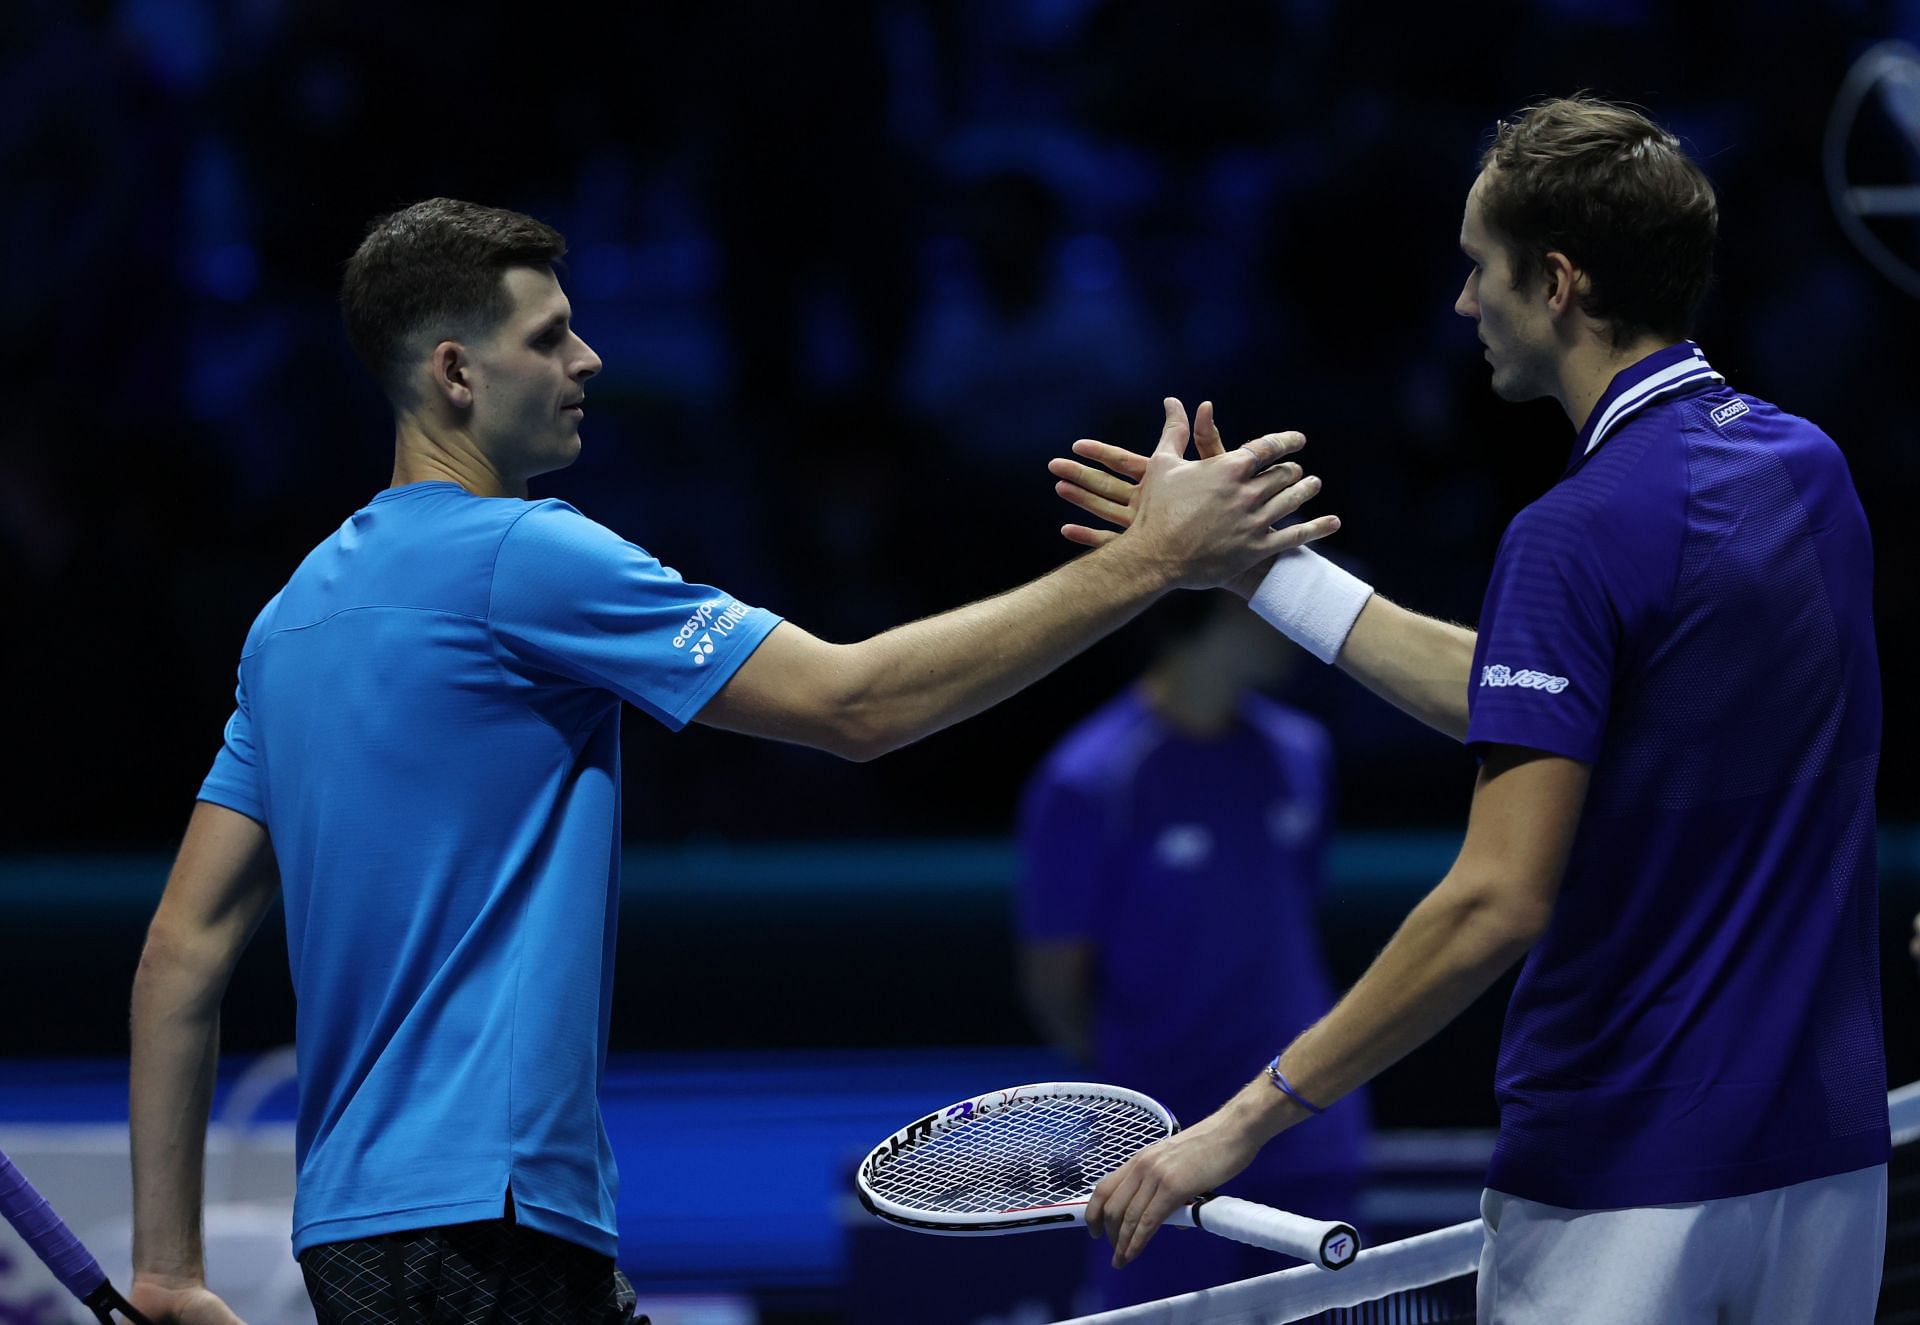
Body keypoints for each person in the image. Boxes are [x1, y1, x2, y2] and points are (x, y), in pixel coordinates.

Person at [122, 198, 1337, 1325]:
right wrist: (1149, 564)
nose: (589, 359)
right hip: (491, 1222)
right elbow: (856, 702)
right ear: (455, 372)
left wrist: (168, 1268)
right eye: (549, 337)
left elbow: (182, 953)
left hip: (357, 1236)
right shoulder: (524, 556)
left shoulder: (290, 620)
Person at [1052, 97, 1887, 1322]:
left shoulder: (1573, 534)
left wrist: (1236, 1126)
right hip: (1828, 1166)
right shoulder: (1807, 469)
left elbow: (1496, 897)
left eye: (1477, 269)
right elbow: (1554, 696)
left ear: (1555, 282)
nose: (1461, 304)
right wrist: (1259, 569)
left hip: (1623, 1178)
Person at [1016, 591, 1367, 1311]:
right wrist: (1150, 1090)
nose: (1297, 625)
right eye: (1271, 602)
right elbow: (1055, 986)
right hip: (1158, 1156)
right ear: (1211, 614)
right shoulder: (1088, 778)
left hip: (1308, 1131)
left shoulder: (1303, 751)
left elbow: (1293, 913)